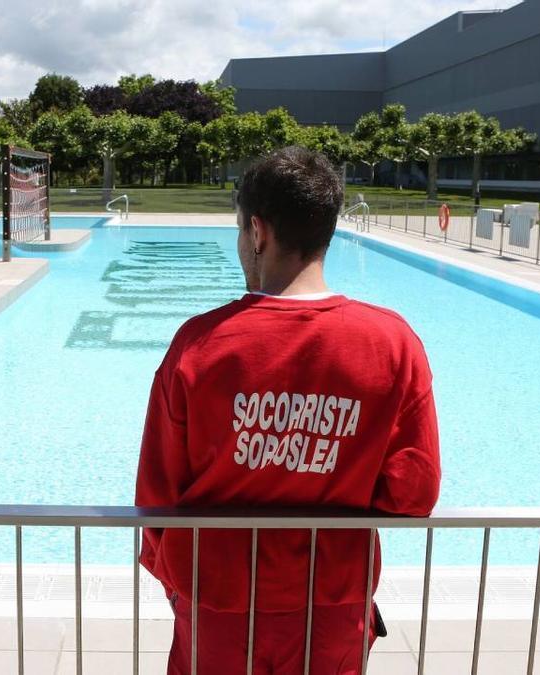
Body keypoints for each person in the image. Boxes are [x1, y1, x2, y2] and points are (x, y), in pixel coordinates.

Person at [135, 146, 441, 675]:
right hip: (333, 599)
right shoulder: (392, 344)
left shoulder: (200, 344)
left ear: (257, 231)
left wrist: (179, 583)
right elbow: (413, 491)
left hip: (216, 599)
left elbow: (157, 495)